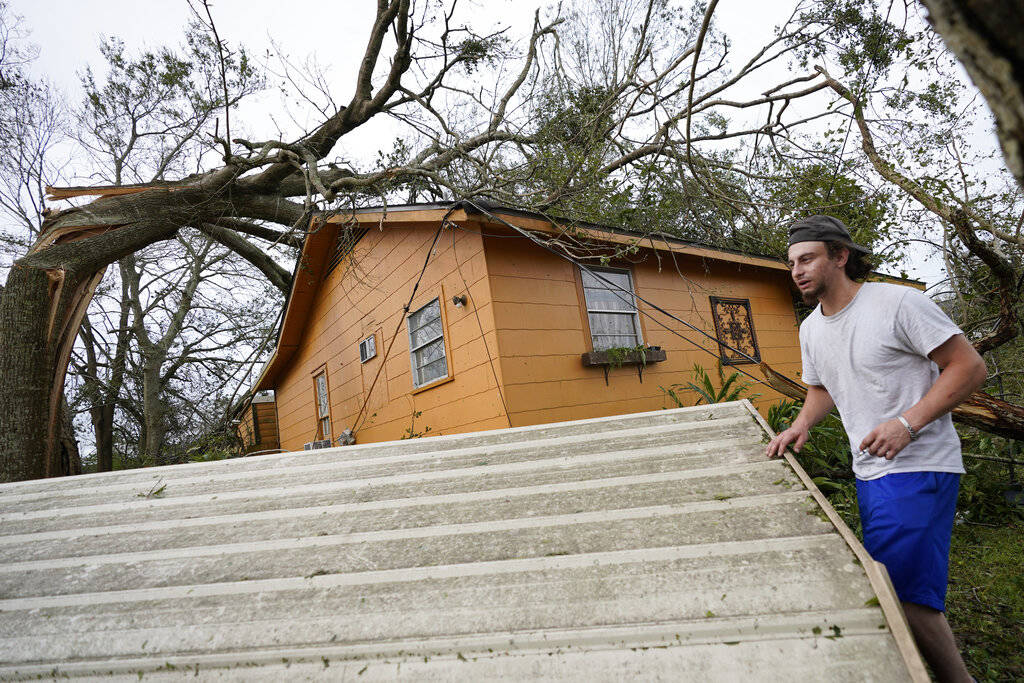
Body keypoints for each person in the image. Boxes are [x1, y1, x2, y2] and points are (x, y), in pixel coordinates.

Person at [765, 215, 987, 683]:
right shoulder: (811, 329)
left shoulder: (898, 303)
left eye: (807, 259)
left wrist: (908, 423)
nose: (797, 271)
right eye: (791, 264)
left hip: (920, 465)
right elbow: (823, 387)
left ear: (840, 256)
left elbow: (967, 367)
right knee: (894, 588)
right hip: (869, 472)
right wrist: (801, 424)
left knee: (902, 595)